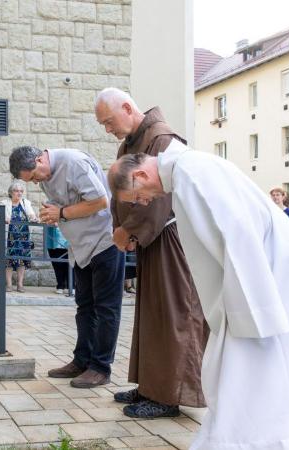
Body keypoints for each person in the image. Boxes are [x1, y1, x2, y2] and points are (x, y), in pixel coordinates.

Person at [107, 141, 289, 450]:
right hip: (268, 264)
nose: (145, 201)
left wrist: (253, 311)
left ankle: (248, 437)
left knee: (251, 356)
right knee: (257, 357)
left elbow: (238, 232)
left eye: (137, 196)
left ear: (139, 175)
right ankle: (269, 432)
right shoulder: (188, 172)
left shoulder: (192, 173)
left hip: (268, 268)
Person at [94, 88, 207, 418]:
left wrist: (128, 232)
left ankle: (169, 394)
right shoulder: (130, 142)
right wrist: (122, 228)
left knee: (173, 314)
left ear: (128, 108)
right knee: (151, 313)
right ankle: (149, 385)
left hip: (169, 237)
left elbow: (158, 198)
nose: (108, 129)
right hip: (149, 239)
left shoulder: (162, 139)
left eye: (109, 121)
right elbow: (120, 194)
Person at [9, 145, 124, 388]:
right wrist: (54, 215)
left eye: (34, 177)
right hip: (80, 246)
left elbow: (101, 200)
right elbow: (65, 208)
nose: (35, 182)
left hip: (104, 242)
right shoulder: (46, 174)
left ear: (40, 159)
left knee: (106, 309)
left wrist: (61, 212)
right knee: (85, 306)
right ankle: (82, 360)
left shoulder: (74, 163)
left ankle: (101, 368)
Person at [1, 180, 37, 293]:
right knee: (9, 260)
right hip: (10, 237)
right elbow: (0, 216)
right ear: (11, 192)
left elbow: (31, 214)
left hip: (24, 237)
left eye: (21, 191)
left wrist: (33, 218)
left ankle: (20, 284)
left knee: (22, 260)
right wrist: (4, 218)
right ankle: (9, 284)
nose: (19, 193)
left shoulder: (26, 203)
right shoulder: (4, 203)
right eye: (16, 191)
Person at [45, 225, 70, 295]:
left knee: (69, 261)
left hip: (67, 230)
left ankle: (71, 286)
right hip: (52, 231)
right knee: (56, 262)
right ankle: (60, 285)